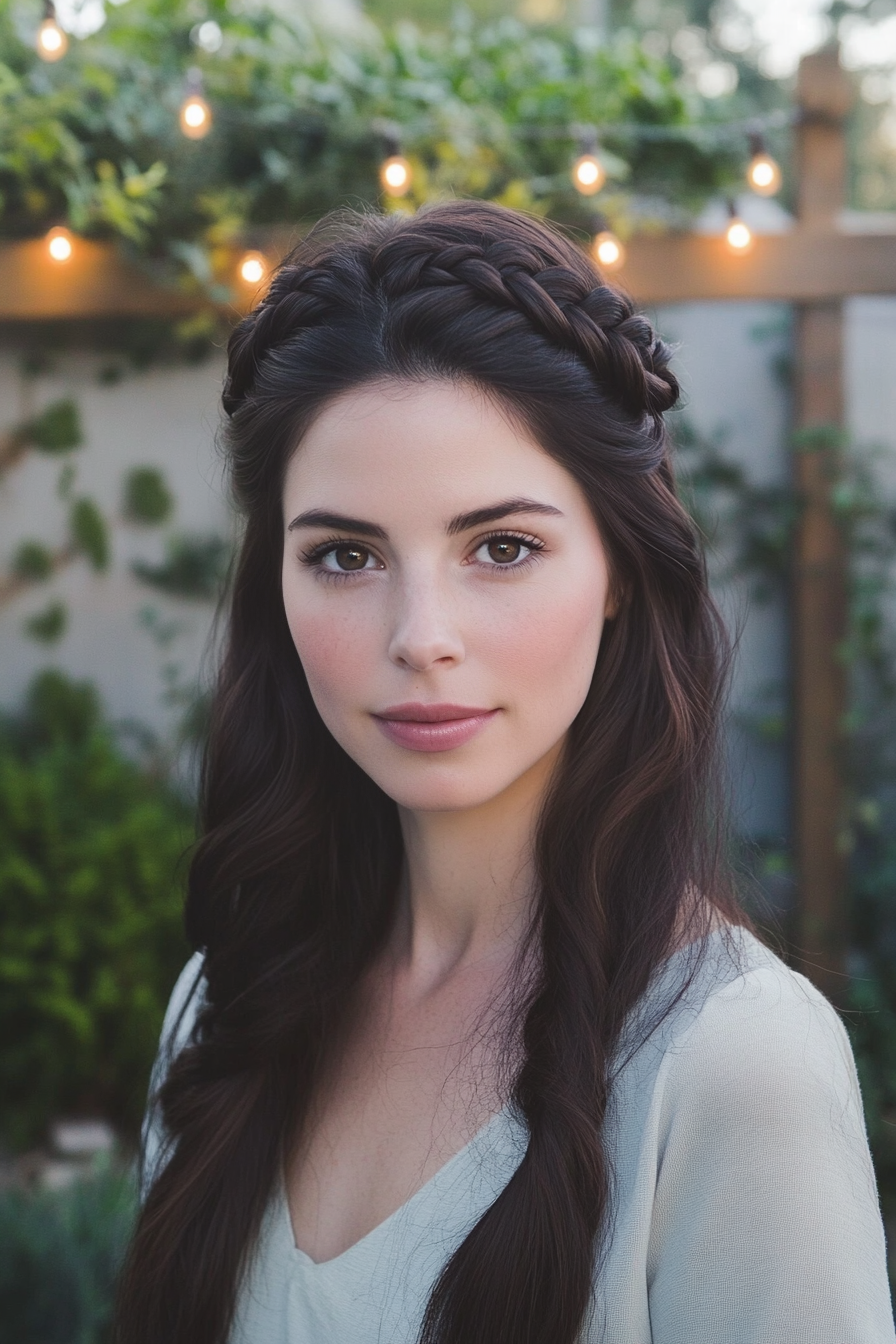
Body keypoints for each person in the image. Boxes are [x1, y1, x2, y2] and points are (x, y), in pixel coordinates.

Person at [115, 201, 894, 1344]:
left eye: (501, 548)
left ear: (619, 569)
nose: (419, 634)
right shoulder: (219, 1009)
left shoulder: (731, 1067)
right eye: (344, 554)